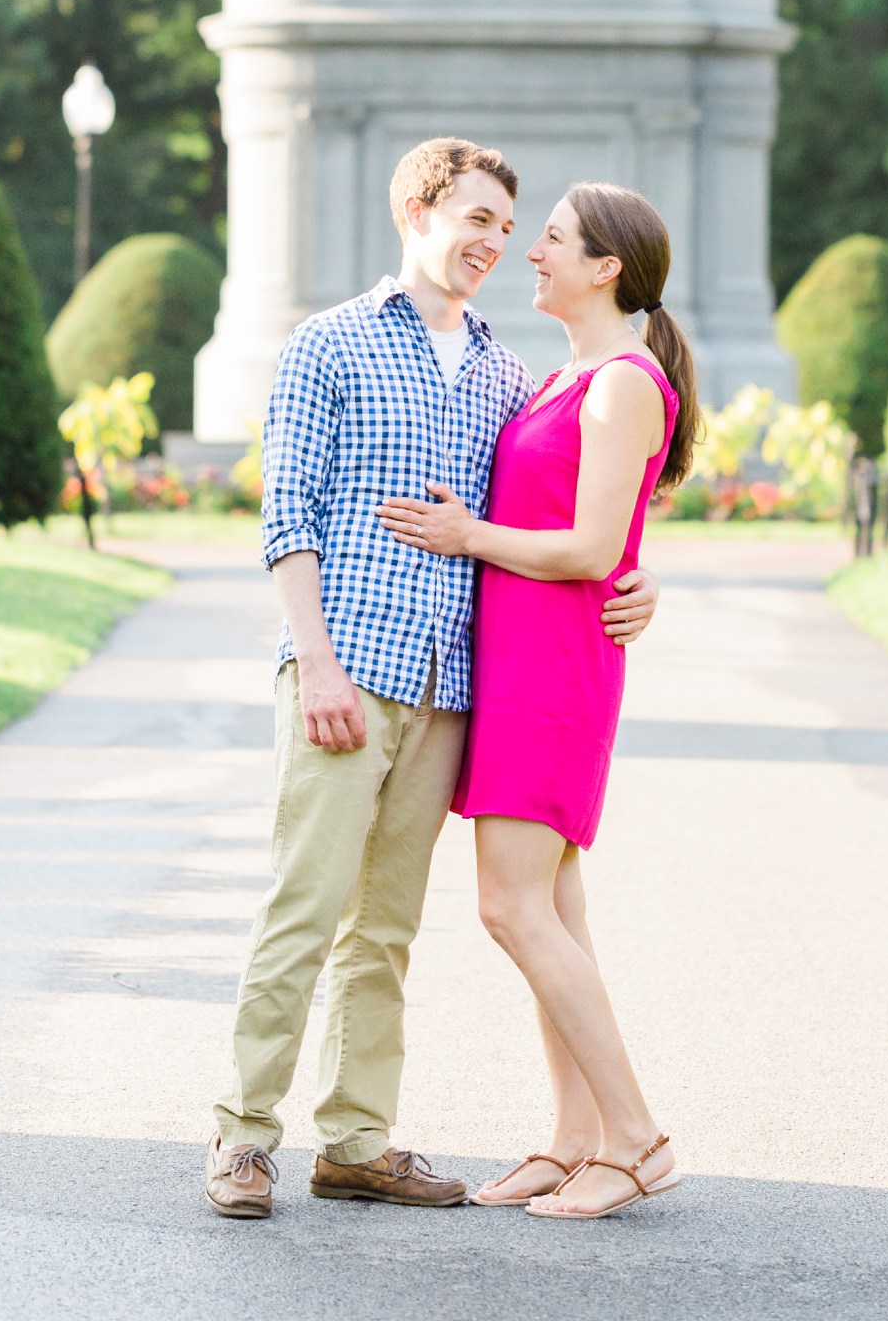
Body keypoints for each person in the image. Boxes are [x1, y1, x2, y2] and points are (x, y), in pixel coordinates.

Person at [205, 139, 659, 1219]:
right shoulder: (330, 343)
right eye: (478, 219)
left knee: (386, 930)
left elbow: (572, 508)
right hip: (344, 670)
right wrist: (312, 657)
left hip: (454, 692)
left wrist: (639, 576)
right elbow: (288, 515)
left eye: (510, 227)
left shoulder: (512, 372)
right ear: (417, 210)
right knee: (303, 909)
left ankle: (356, 1138)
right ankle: (242, 1136)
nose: (496, 243)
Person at [377, 182, 699, 1221]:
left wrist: (469, 535)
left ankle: (637, 1137)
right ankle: (573, 1138)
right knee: (553, 907)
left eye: (551, 238)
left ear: (606, 266)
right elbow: (610, 540)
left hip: (555, 669)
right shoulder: (569, 377)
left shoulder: (620, 383)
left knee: (511, 903)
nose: (533, 253)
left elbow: (595, 549)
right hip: (523, 659)